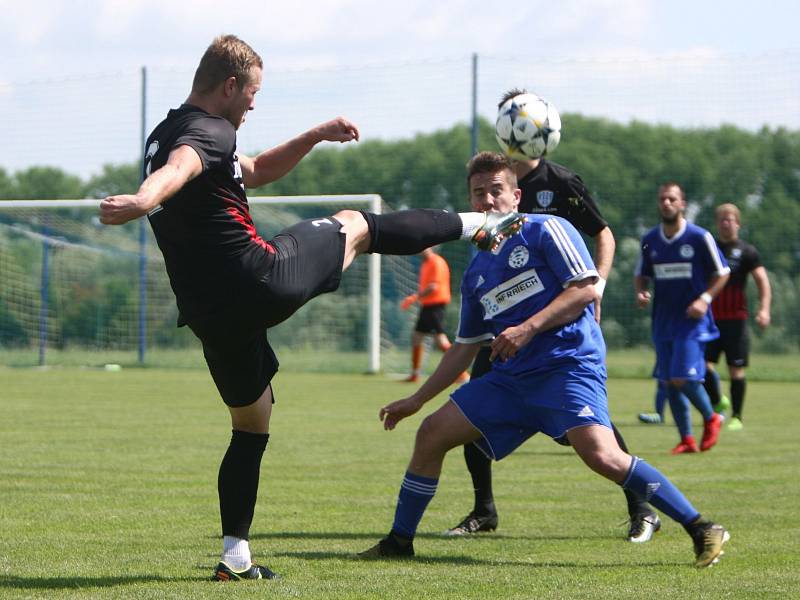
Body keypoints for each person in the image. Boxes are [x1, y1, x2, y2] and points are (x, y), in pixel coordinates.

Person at [98, 34, 525, 582]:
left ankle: (234, 557)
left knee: (252, 421)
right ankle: (479, 225)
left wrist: (316, 135)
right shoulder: (206, 133)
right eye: (252, 93)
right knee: (356, 225)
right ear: (229, 86)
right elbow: (179, 171)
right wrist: (142, 200)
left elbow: (250, 171)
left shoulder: (169, 132)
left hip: (211, 315)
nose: (253, 104)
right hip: (259, 278)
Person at [359, 153, 730, 568]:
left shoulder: (547, 229)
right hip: (511, 380)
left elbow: (585, 291)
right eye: (477, 194)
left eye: (496, 191)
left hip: (567, 366)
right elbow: (465, 346)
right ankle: (399, 541)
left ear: (516, 196)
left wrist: (526, 328)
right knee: (431, 433)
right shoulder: (476, 269)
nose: (486, 201)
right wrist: (416, 400)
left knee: (602, 456)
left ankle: (701, 527)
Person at [448, 88, 660, 544]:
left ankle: (642, 506)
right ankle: (484, 509)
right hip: (505, 325)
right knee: (470, 406)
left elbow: (604, 235)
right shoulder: (492, 184)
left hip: (555, 328)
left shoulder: (560, 182)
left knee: (588, 426)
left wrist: (595, 284)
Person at [634, 182, 730, 454]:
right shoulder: (650, 239)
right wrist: (641, 292)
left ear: (682, 203)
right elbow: (641, 274)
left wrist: (705, 299)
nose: (666, 203)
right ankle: (686, 439)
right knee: (668, 381)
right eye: (663, 199)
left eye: (672, 199)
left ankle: (711, 417)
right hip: (663, 321)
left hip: (692, 322)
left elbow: (723, 272)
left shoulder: (700, 237)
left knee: (681, 378)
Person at [703, 203, 771, 431]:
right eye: (721, 219)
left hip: (736, 321)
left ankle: (737, 416)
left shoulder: (747, 251)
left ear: (737, 223)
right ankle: (718, 402)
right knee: (702, 366)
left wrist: (764, 309)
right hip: (710, 320)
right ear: (716, 223)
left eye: (729, 219)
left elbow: (762, 281)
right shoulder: (709, 248)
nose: (725, 223)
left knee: (736, 370)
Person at [401, 246, 468, 384]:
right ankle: (415, 374)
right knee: (417, 336)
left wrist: (414, 297)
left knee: (440, 340)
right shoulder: (425, 264)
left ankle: (462, 373)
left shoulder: (436, 262)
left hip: (436, 305)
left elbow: (433, 287)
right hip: (427, 305)